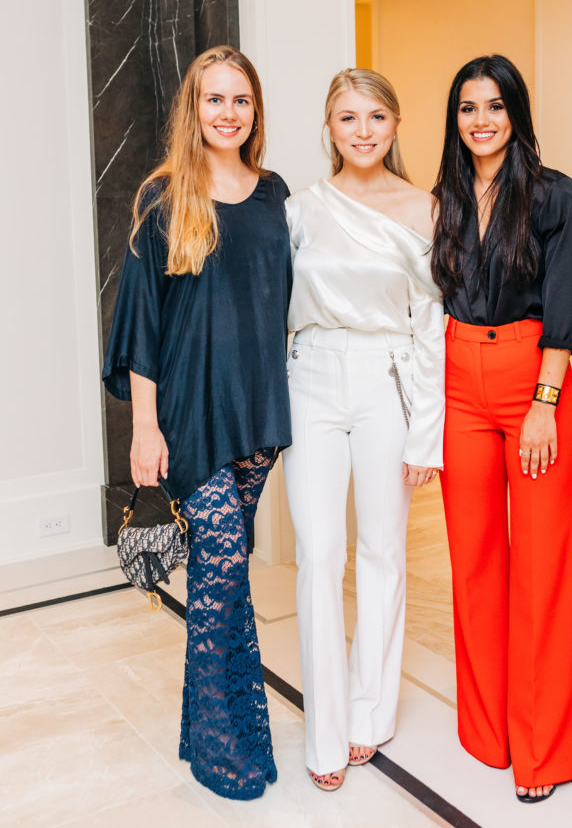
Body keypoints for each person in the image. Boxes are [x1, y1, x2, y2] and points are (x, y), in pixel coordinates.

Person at [102, 45, 292, 799]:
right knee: (221, 571)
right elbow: (141, 323)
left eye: (240, 99)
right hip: (188, 409)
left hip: (256, 407)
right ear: (193, 108)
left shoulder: (276, 194)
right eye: (214, 99)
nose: (227, 112)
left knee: (227, 569)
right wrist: (143, 430)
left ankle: (208, 727)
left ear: (255, 110)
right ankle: (224, 749)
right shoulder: (163, 194)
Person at [283, 68, 445, 791]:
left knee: (382, 552)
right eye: (347, 118)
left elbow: (431, 325)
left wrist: (425, 435)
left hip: (388, 382)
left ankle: (368, 716)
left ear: (396, 123)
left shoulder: (424, 208)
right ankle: (323, 729)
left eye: (375, 116)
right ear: (328, 127)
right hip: (311, 374)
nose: (362, 131)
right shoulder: (299, 208)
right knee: (319, 555)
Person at [432, 54, 572, 803]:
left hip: (534, 381)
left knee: (540, 572)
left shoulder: (554, 196)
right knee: (474, 566)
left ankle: (543, 754)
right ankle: (487, 733)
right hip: (457, 382)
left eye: (494, 106)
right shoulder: (445, 199)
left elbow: (564, 305)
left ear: (516, 113)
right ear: (453, 119)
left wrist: (544, 404)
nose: (481, 120)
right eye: (467, 108)